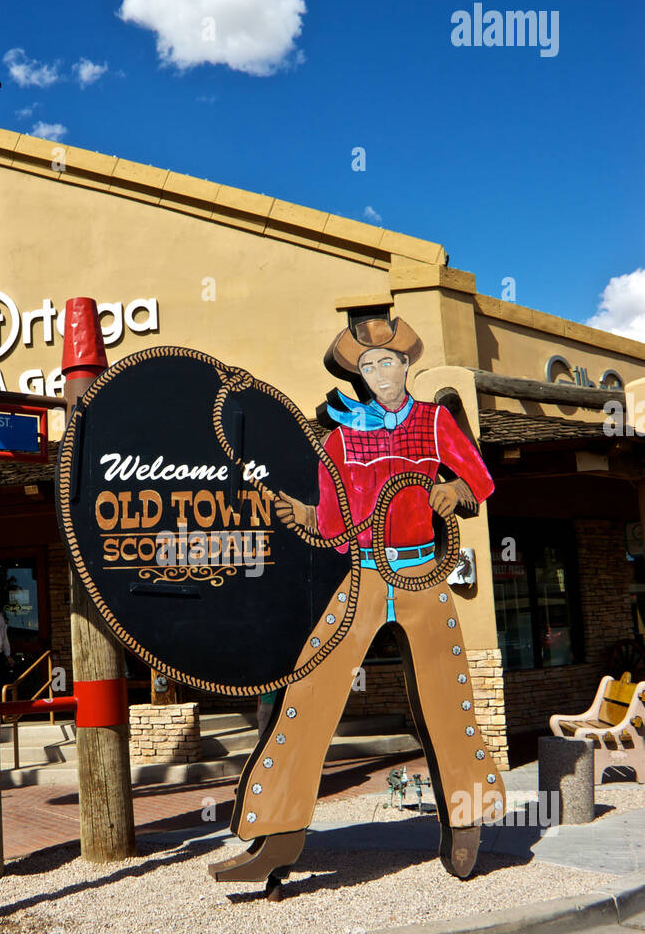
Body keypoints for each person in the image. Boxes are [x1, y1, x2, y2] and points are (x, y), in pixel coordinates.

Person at [210, 302, 506, 889]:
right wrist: (298, 513)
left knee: (449, 697)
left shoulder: (434, 420)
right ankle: (277, 832)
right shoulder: (341, 440)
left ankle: (468, 819)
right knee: (309, 689)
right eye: (369, 364)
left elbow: (481, 478)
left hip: (423, 574)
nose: (380, 371)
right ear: (359, 374)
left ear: (405, 364)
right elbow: (330, 521)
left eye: (388, 361)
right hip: (366, 574)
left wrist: (453, 489)